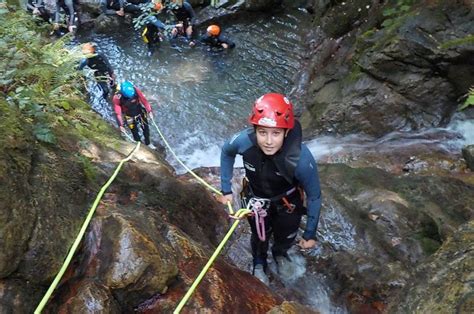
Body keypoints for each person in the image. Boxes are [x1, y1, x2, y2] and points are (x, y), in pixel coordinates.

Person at [219, 93, 321, 285]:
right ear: (255, 129)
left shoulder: (301, 159)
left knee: (286, 235)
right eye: (262, 132)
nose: (268, 141)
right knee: (259, 236)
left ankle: (279, 253)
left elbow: (314, 196)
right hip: (255, 200)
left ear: (286, 133)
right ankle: (259, 262)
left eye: (276, 133)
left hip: (288, 204)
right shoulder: (244, 142)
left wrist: (309, 234)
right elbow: (226, 152)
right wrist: (226, 190)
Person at [113, 81, 155, 147]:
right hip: (129, 116)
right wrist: (120, 125)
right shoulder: (117, 98)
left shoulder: (136, 90)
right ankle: (139, 144)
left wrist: (149, 111)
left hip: (140, 112)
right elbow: (118, 113)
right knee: (134, 131)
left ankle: (148, 143)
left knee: (146, 128)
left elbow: (144, 101)